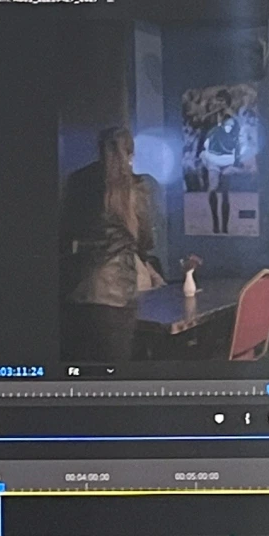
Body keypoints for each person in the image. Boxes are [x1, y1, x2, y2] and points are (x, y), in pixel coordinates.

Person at [59, 125, 163, 362]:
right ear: (130, 154)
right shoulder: (137, 187)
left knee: (77, 368)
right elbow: (146, 240)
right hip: (116, 295)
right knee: (113, 369)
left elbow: (64, 231)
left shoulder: (77, 181)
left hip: (74, 289)